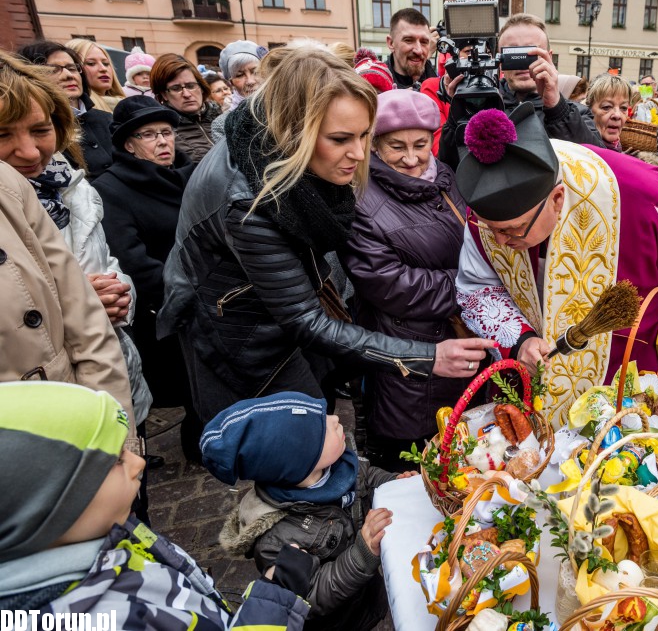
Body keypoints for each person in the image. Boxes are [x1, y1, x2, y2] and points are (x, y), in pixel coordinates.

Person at [159, 49, 493, 425]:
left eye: (365, 135)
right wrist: (427, 358)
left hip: (274, 310)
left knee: (320, 411)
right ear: (295, 129)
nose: (359, 153)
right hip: (237, 324)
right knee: (300, 434)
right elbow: (306, 321)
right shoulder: (249, 203)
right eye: (340, 139)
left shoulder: (273, 142)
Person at [454, 105, 658, 412]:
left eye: (513, 230)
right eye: (494, 231)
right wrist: (521, 341)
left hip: (626, 377)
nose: (502, 242)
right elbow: (478, 288)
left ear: (557, 199)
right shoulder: (487, 208)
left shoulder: (638, 198)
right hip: (528, 383)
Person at [0, 381, 312, 629]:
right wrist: (276, 600)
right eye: (116, 460)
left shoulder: (110, 534)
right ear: (53, 506)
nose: (138, 464)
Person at [0, 50, 150, 431]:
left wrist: (120, 294)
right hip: (43, 414)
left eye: (40, 130)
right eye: (3, 135)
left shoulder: (72, 186)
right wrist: (73, 302)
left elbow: (106, 261)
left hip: (115, 379)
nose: (30, 151)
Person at [339, 91, 472, 471]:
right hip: (410, 352)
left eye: (421, 144)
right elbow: (388, 284)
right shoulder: (361, 198)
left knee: (464, 450)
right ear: (375, 145)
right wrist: (474, 287)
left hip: (459, 341)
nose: (412, 159)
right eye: (397, 146)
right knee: (418, 459)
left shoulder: (448, 178)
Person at [203, 392, 411, 631]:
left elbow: (368, 476)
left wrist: (395, 484)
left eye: (324, 414)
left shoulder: (335, 466)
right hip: (338, 622)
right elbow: (311, 594)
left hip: (365, 595)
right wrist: (361, 555)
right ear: (297, 464)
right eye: (322, 429)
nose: (335, 419)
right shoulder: (276, 540)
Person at [92, 96, 196, 442]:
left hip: (209, 294)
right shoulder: (111, 189)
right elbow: (132, 260)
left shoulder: (188, 174)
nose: (163, 141)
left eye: (167, 132)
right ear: (129, 145)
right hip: (166, 305)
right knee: (188, 385)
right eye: (149, 135)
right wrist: (189, 292)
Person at [437, 13, 601, 168]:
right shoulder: (481, 106)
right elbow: (450, 167)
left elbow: (595, 164)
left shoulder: (575, 113)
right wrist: (460, 112)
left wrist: (556, 108)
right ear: (499, 60)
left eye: (530, 53)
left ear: (549, 57)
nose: (523, 64)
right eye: (512, 54)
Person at [17, 40, 114, 176]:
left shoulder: (108, 119)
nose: (68, 75)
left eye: (72, 68)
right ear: (29, 77)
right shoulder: (38, 131)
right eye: (53, 70)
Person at [150, 54, 221, 163]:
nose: (187, 94)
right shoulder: (163, 132)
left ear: (201, 87)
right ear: (164, 94)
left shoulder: (222, 118)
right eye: (176, 88)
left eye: (191, 86)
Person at [211, 40, 269, 141]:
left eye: (255, 72)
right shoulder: (221, 124)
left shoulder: (283, 108)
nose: (250, 81)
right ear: (231, 82)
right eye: (239, 75)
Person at [66, 39, 125, 112]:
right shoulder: (80, 110)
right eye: (91, 63)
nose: (103, 69)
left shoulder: (127, 104)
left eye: (106, 63)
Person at [386, 8, 437, 89]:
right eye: (409, 40)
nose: (419, 50)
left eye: (424, 42)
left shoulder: (440, 89)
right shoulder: (375, 91)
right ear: (391, 43)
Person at [586, 74, 632, 151]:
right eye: (606, 107)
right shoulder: (579, 151)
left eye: (623, 108)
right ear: (589, 109)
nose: (617, 115)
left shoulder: (619, 147)